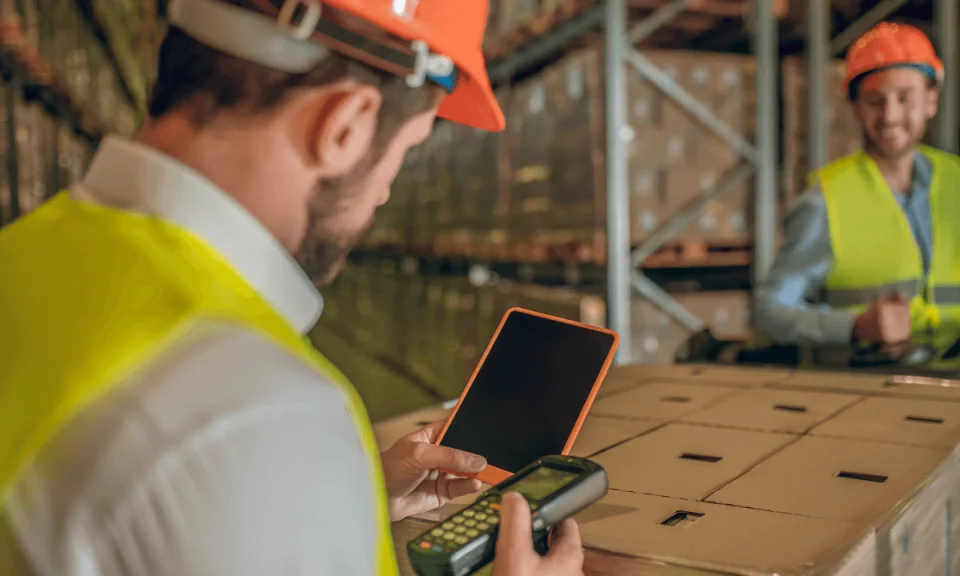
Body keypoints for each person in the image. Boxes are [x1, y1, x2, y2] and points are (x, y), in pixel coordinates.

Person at [0, 0, 584, 574]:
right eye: (405, 153)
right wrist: (301, 481)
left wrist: (340, 505)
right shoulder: (261, 410)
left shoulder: (26, 253)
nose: (383, 193)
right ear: (345, 125)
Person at [755, 22, 960, 347]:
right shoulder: (825, 200)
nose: (890, 116)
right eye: (874, 101)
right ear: (855, 108)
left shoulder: (950, 175)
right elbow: (770, 311)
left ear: (931, 100)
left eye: (904, 98)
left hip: (953, 375)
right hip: (873, 385)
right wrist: (853, 326)